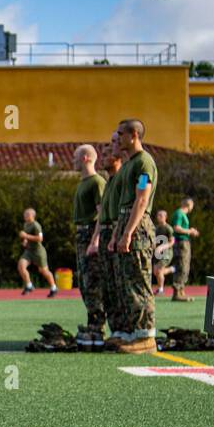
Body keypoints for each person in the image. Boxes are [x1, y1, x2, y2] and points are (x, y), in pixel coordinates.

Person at [109, 119, 157, 353]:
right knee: (126, 282)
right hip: (126, 221)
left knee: (138, 281)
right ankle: (132, 332)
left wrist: (127, 233)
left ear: (134, 134)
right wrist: (118, 233)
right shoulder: (130, 164)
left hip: (137, 226)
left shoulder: (144, 163)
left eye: (121, 134)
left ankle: (145, 336)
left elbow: (141, 199)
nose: (118, 138)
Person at [89, 136, 126, 341]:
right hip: (105, 233)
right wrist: (96, 239)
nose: (102, 159)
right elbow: (103, 215)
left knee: (120, 285)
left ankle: (126, 330)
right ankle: (117, 329)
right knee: (108, 286)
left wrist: (116, 235)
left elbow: (122, 212)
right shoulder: (110, 181)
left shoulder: (121, 178)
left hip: (114, 232)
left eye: (106, 155)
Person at [70, 144, 106, 332]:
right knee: (84, 282)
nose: (73, 160)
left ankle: (97, 325)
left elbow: (102, 214)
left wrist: (95, 240)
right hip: (82, 235)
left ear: (85, 158)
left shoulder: (96, 182)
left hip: (90, 234)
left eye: (75, 157)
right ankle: (92, 322)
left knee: (93, 282)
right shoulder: (83, 182)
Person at [17, 208, 58, 297]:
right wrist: (25, 241)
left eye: (27, 214)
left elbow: (40, 239)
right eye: (25, 214)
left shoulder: (36, 225)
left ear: (33, 215)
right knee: (21, 265)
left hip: (38, 251)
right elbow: (26, 238)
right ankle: (29, 285)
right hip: (29, 251)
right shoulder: (26, 225)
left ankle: (53, 287)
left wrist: (26, 236)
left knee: (43, 271)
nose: (25, 216)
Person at [169, 197, 199, 301]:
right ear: (189, 205)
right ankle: (177, 292)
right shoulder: (179, 213)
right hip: (181, 243)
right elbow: (176, 227)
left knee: (185, 266)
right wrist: (190, 231)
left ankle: (181, 291)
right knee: (182, 265)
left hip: (184, 242)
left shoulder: (182, 214)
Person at [152, 209, 174, 296]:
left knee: (159, 270)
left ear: (165, 217)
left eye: (161, 215)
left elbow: (172, 242)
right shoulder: (156, 228)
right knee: (155, 271)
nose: (159, 217)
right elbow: (155, 241)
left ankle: (160, 289)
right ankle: (172, 269)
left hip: (166, 253)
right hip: (158, 254)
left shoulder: (168, 228)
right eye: (158, 215)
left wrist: (162, 247)